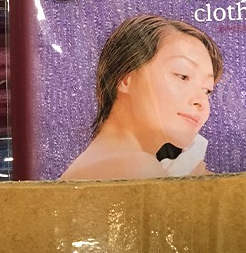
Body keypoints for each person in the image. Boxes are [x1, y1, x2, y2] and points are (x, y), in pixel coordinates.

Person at [60, 15, 223, 181]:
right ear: (124, 79)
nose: (201, 102)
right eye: (182, 76)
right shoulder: (132, 165)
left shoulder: (105, 160)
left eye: (207, 90)